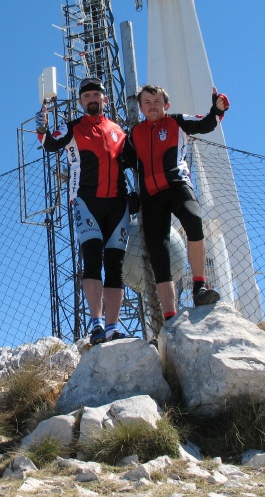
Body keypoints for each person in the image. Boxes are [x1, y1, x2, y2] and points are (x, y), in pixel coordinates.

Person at [35, 77, 131, 345]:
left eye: (96, 95)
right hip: (86, 201)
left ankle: (112, 326)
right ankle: (96, 323)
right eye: (86, 96)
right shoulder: (72, 128)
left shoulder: (118, 130)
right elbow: (50, 144)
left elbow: (132, 161)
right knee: (91, 259)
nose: (92, 99)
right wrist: (42, 127)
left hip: (118, 203)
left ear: (105, 100)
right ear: (80, 102)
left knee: (115, 266)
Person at [123, 84, 229, 321]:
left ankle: (199, 288)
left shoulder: (177, 122)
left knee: (193, 221)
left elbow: (205, 123)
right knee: (158, 253)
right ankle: (170, 315)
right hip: (150, 197)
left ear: (166, 105)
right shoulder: (134, 134)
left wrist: (217, 109)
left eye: (157, 101)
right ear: (140, 108)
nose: (152, 106)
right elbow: (120, 160)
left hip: (177, 186)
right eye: (147, 102)